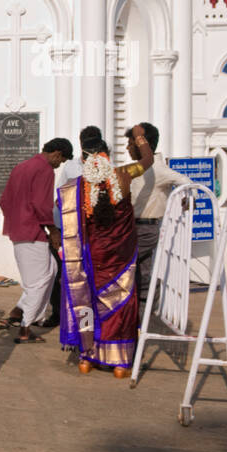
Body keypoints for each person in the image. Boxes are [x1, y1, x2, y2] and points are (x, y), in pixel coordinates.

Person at [56, 129, 154, 378]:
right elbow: (148, 161)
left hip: (92, 256)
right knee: (120, 302)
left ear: (84, 158)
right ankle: (119, 362)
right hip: (120, 256)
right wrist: (140, 136)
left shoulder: (78, 186)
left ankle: (87, 357)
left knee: (87, 300)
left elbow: (62, 209)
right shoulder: (123, 174)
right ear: (107, 155)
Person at [0, 138, 73, 343]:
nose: (59, 165)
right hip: (33, 231)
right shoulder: (45, 169)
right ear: (57, 154)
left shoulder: (22, 166)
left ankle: (18, 311)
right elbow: (41, 204)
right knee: (38, 282)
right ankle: (25, 327)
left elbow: (4, 201)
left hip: (19, 230)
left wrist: (16, 220)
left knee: (51, 271)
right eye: (61, 161)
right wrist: (53, 231)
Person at [45, 126, 103, 329]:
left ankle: (88, 326)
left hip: (95, 235)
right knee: (62, 275)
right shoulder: (70, 168)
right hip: (69, 232)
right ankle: (63, 317)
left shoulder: (107, 170)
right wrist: (56, 230)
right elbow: (59, 198)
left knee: (88, 282)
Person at [129, 122, 187, 300]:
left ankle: (145, 312)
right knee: (143, 271)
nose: (127, 148)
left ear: (141, 144)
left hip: (146, 228)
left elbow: (185, 180)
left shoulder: (159, 170)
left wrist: (188, 197)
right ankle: (144, 315)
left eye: (131, 143)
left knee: (127, 265)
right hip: (135, 226)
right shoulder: (137, 168)